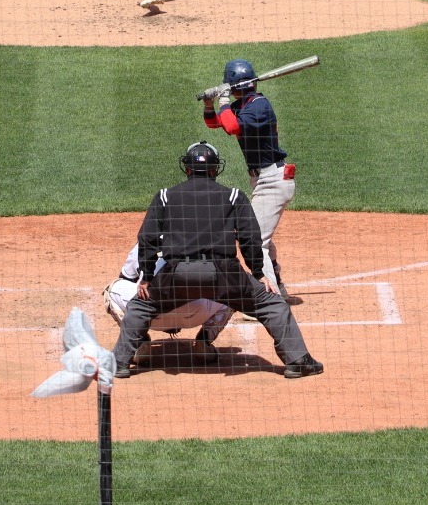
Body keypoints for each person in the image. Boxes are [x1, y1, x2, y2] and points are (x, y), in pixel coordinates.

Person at [111, 142, 321, 379]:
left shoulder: (165, 196)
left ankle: (119, 362)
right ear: (214, 169)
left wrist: (147, 277)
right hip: (224, 274)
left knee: (140, 307)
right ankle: (298, 362)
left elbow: (147, 239)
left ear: (187, 169)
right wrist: (259, 273)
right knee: (271, 304)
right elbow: (250, 239)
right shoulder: (233, 196)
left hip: (177, 273)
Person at [204, 59, 300, 303]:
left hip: (272, 179)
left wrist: (223, 99)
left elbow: (233, 127)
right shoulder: (245, 103)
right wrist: (209, 103)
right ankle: (277, 285)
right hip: (262, 179)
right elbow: (215, 123)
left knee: (256, 240)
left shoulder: (259, 106)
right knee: (261, 236)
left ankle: (269, 299)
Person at [102, 241, 233, 353]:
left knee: (113, 289)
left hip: (148, 315)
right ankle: (204, 341)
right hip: (194, 313)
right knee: (232, 289)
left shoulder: (147, 239)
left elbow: (126, 277)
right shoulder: (203, 238)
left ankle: (138, 342)